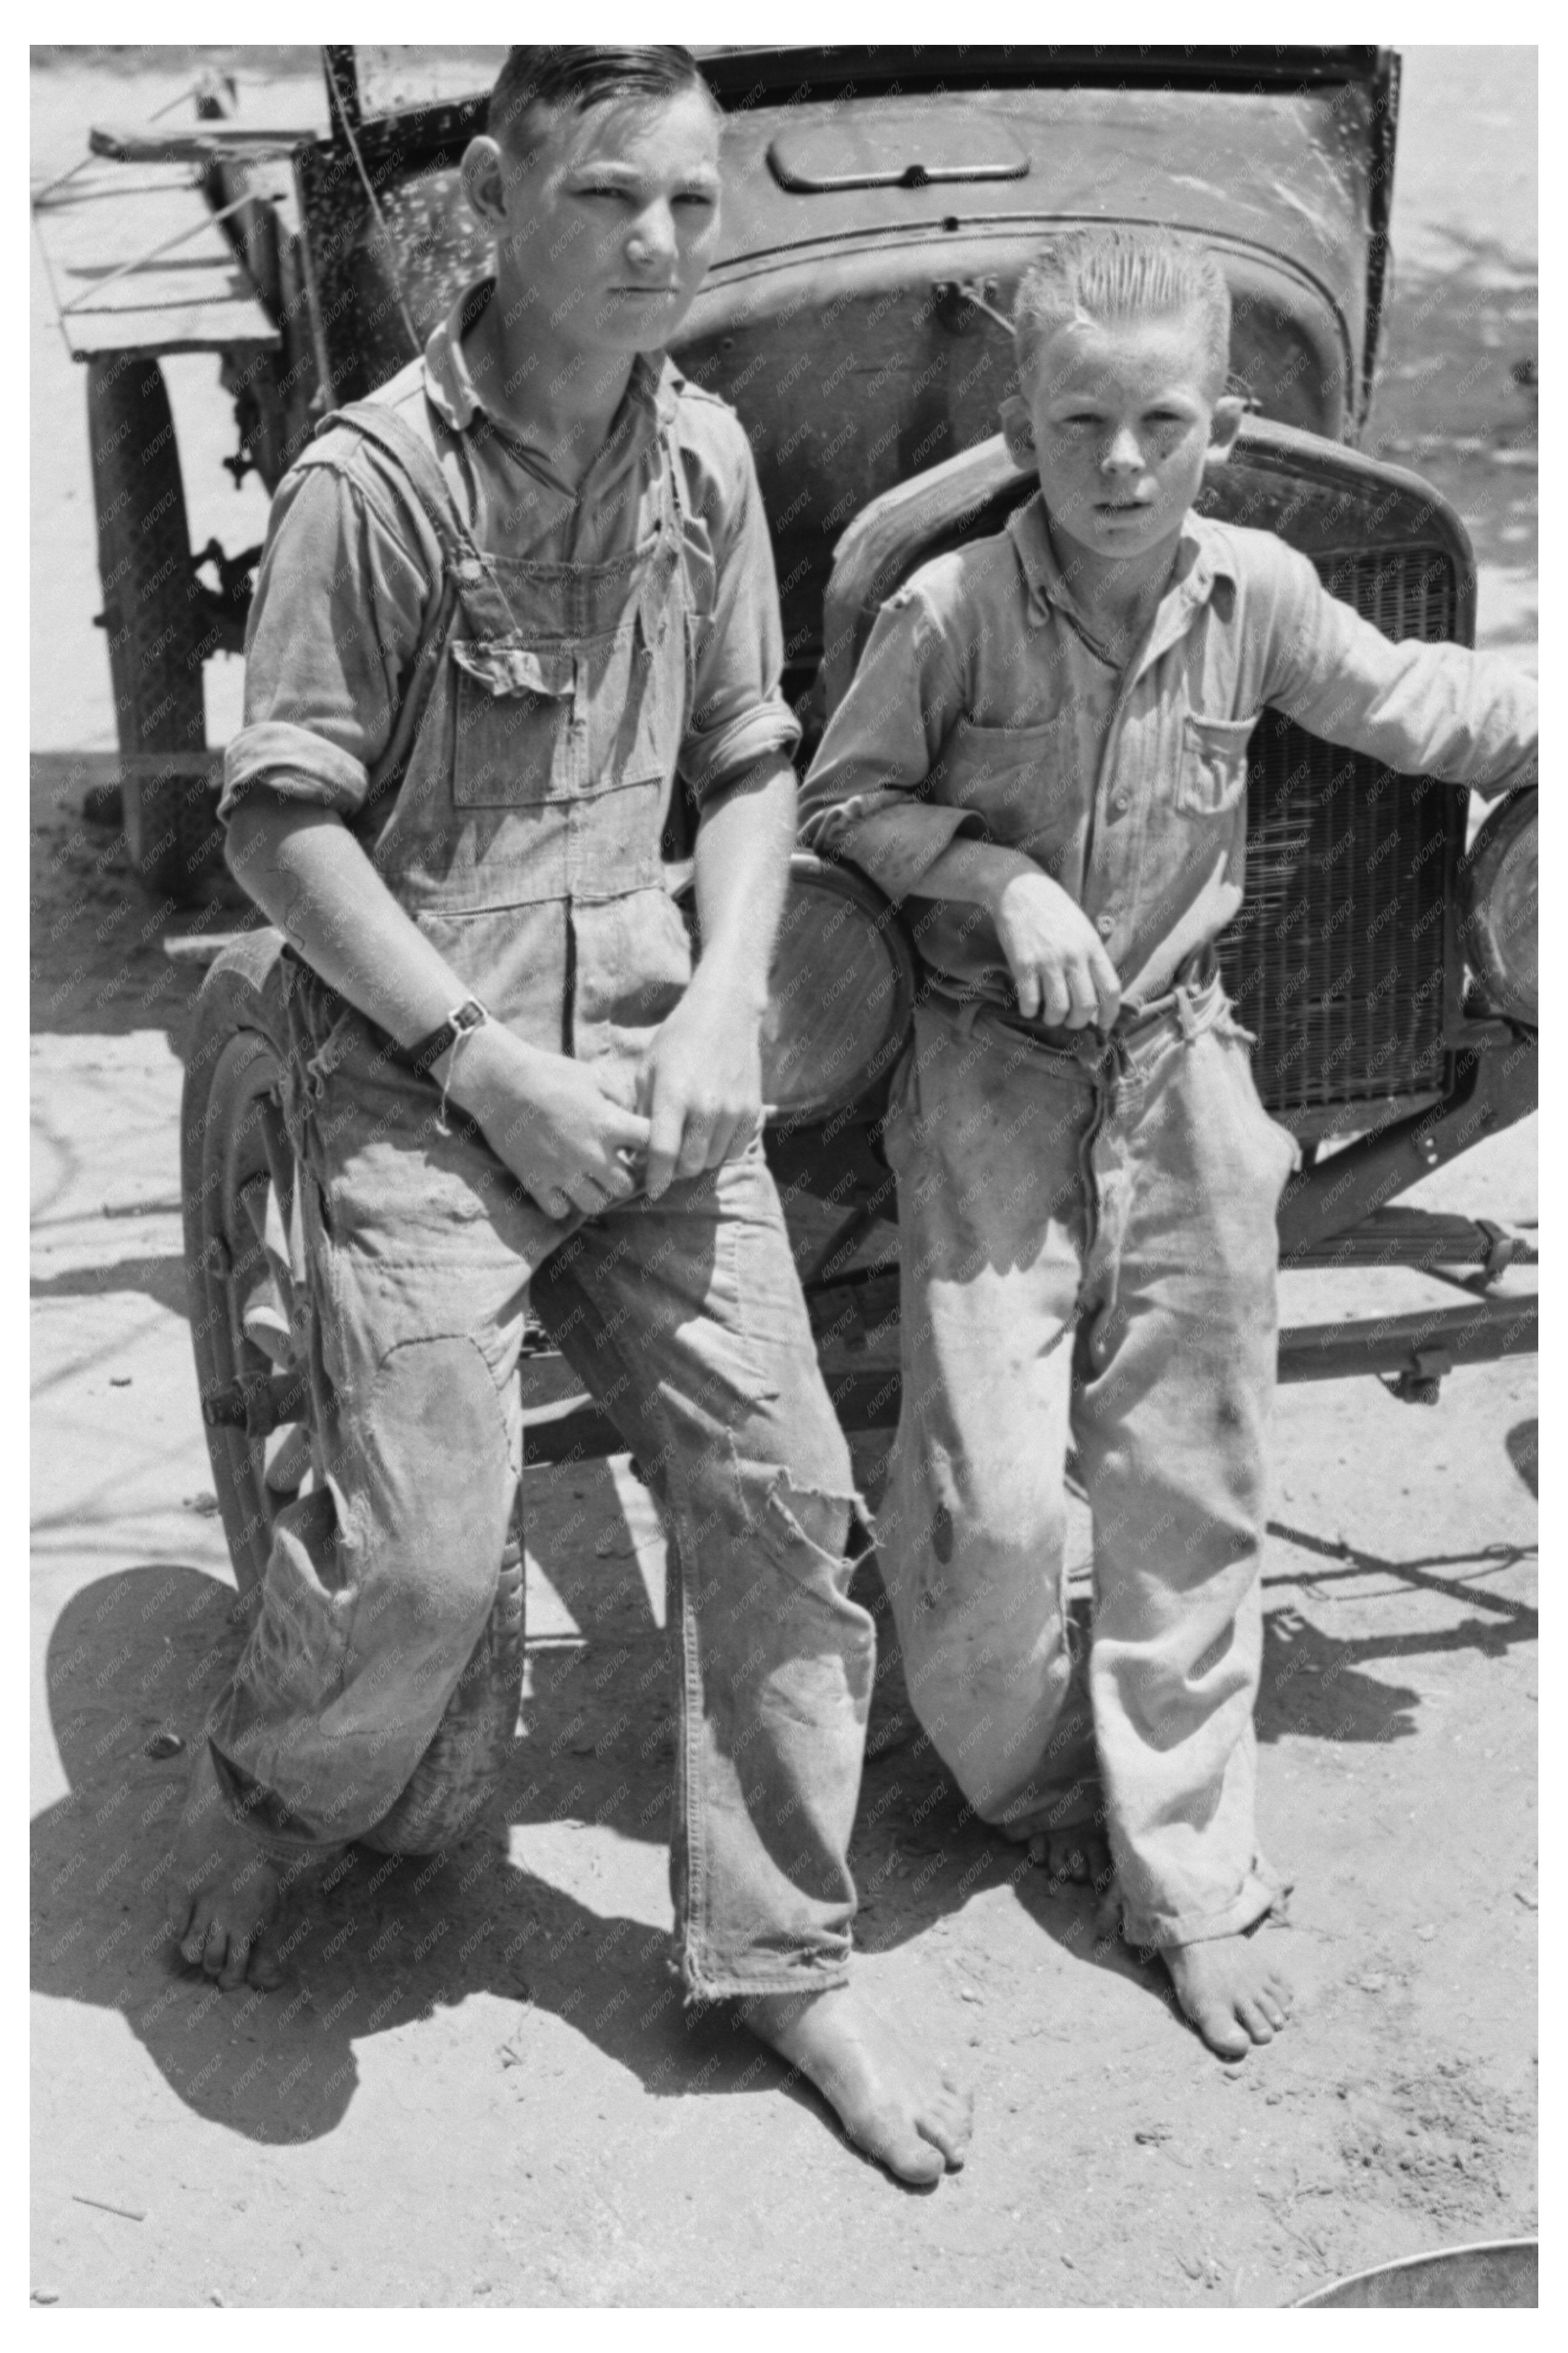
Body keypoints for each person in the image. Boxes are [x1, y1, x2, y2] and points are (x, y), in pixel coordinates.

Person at [165, 44, 970, 2187]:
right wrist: (474, 1063)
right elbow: (278, 825)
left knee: (788, 1490)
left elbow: (750, 757)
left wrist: (721, 995)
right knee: (427, 1557)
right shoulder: (372, 485)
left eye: (692, 202)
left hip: (641, 1061)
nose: (658, 242)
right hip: (418, 1070)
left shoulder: (702, 456)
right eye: (610, 195)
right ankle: (282, 1796)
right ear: (500, 200)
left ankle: (783, 1952)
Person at [799, 226, 1536, 2060]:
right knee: (987, 1507)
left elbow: (1415, 706)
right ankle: (1038, 1780)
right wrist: (990, 876)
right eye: (1080, 425)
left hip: (1182, 1064)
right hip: (983, 1071)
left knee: (1192, 1478)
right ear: (1017, 429)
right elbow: (841, 804)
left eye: (1161, 423)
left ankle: (1190, 1882)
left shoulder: (1254, 588)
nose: (1120, 464)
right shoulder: (948, 612)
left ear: (1227, 425)